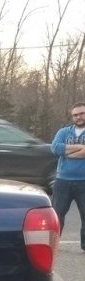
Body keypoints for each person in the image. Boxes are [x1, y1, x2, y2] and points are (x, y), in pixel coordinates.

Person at [51, 102, 85, 250]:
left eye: (82, 113)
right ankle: (52, 244)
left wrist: (67, 151)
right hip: (62, 181)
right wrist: (81, 148)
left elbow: (62, 149)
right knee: (57, 215)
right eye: (75, 115)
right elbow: (55, 148)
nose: (79, 117)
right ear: (72, 117)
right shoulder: (64, 132)